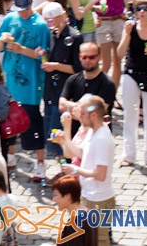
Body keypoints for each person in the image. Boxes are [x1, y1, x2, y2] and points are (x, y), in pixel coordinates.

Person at [0, 0, 50, 181]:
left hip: (30, 81)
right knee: (9, 119)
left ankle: (40, 162)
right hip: (10, 77)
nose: (23, 13)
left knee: (32, 120)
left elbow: (44, 55)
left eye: (25, 10)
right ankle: (9, 157)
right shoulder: (10, 19)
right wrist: (1, 40)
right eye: (20, 10)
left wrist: (22, 49)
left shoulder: (41, 25)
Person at [54, 96, 115, 246]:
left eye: (82, 114)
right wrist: (64, 140)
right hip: (89, 195)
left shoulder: (101, 138)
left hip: (99, 199)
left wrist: (75, 169)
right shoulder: (92, 131)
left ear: (93, 115)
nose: (79, 117)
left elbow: (100, 175)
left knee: (99, 240)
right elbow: (81, 153)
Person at [117, 0, 147, 167]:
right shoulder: (130, 28)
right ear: (136, 11)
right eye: (139, 9)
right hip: (131, 74)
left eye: (145, 8)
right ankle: (128, 155)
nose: (142, 12)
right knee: (130, 116)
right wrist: (126, 34)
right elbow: (120, 53)